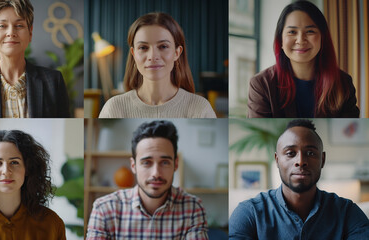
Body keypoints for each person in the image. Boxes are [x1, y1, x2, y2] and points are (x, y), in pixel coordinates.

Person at [229, 119, 369, 239]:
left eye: (310, 153)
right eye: (290, 153)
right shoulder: (249, 213)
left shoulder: (348, 213)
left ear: (323, 160)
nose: (301, 161)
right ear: (277, 160)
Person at [86, 120, 209, 239]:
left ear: (176, 164)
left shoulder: (193, 208)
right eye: (147, 163)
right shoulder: (104, 209)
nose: (156, 173)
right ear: (133, 166)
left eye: (165, 162)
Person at [247, 1, 359, 118]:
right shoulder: (261, 84)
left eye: (310, 31)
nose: (300, 40)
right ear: (280, 40)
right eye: (292, 32)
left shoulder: (344, 83)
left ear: (322, 38)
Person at [99, 12, 216, 118]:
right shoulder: (114, 108)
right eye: (143, 48)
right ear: (134, 54)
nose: (152, 56)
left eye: (163, 46)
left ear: (177, 53)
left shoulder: (200, 109)